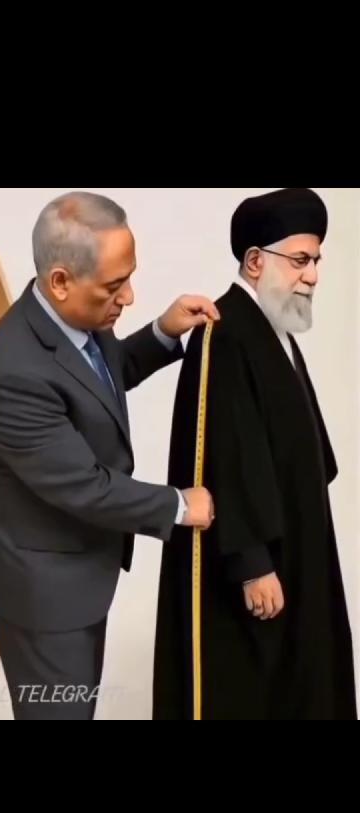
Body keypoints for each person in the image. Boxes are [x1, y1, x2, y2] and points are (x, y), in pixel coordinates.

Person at [0, 190, 218, 720]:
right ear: (61, 281)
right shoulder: (12, 371)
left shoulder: (81, 321)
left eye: (130, 277)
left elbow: (97, 384)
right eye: (114, 285)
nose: (128, 296)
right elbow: (83, 484)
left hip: (81, 570)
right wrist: (178, 505)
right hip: (43, 590)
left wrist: (162, 334)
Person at [153, 187, 357, 721]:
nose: (312, 275)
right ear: (254, 260)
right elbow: (226, 455)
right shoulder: (226, 332)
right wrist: (252, 565)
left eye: (316, 261)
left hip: (297, 542)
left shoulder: (273, 327)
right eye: (300, 260)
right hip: (259, 560)